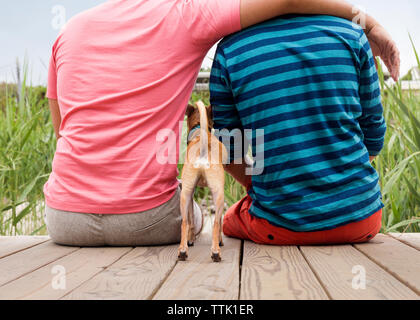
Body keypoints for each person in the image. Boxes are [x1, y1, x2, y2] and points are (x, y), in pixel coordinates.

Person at [45, 0, 399, 246]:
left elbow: (62, 131)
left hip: (63, 219)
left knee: (228, 218)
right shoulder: (185, 16)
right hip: (149, 220)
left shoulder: (68, 30)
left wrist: (256, 185)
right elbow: (373, 139)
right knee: (198, 216)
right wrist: (369, 22)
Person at [209, 14, 387, 245]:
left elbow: (228, 152)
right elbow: (374, 133)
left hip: (278, 226)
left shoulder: (230, 49)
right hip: (364, 220)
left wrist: (267, 184)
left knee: (228, 220)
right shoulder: (353, 34)